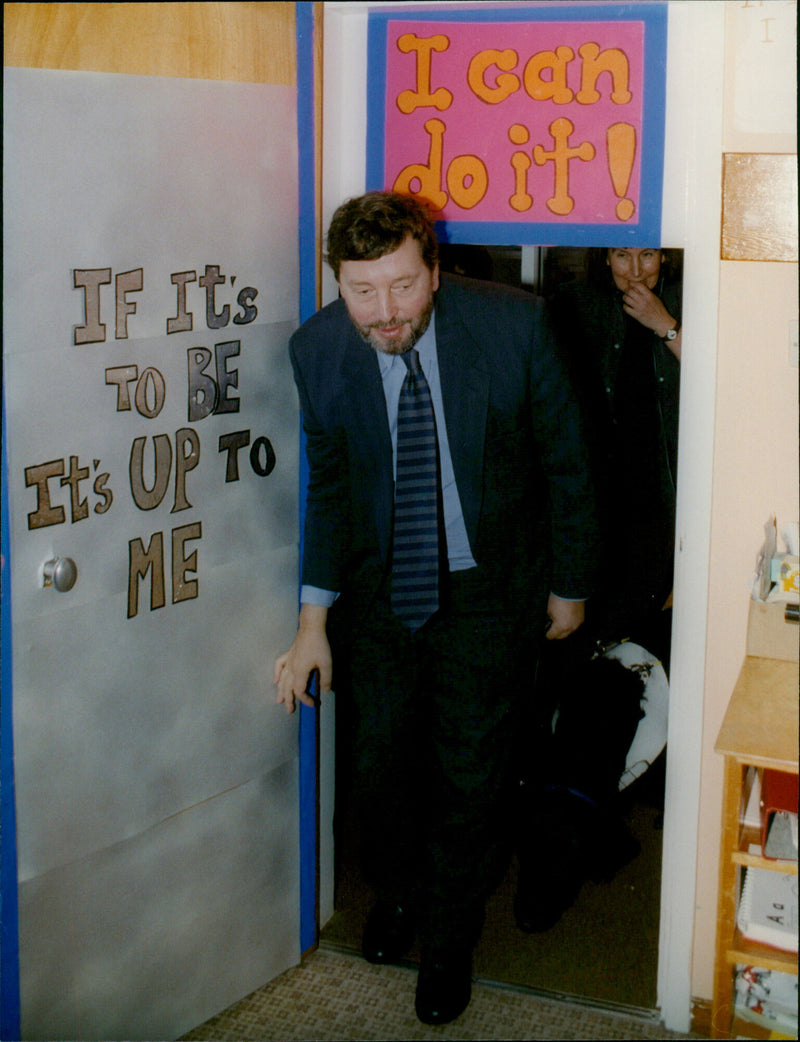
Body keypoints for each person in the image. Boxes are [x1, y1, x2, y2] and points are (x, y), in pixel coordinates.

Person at [273, 192, 598, 1025]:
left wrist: (570, 584)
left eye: (405, 287)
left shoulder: (513, 328)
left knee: (469, 775)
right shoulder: (317, 353)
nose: (386, 313)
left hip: (489, 588)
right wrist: (312, 624)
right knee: (380, 768)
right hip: (384, 595)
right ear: (337, 284)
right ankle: (404, 892)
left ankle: (449, 941)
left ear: (436, 270)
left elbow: (569, 463)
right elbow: (333, 491)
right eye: (363, 291)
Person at [513, 246, 682, 933]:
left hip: (660, 523)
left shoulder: (687, 307)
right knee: (578, 687)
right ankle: (554, 849)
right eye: (619, 256)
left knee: (640, 680)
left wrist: (665, 326)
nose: (633, 270)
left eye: (647, 255)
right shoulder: (572, 311)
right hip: (590, 522)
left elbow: (732, 395)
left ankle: (603, 816)